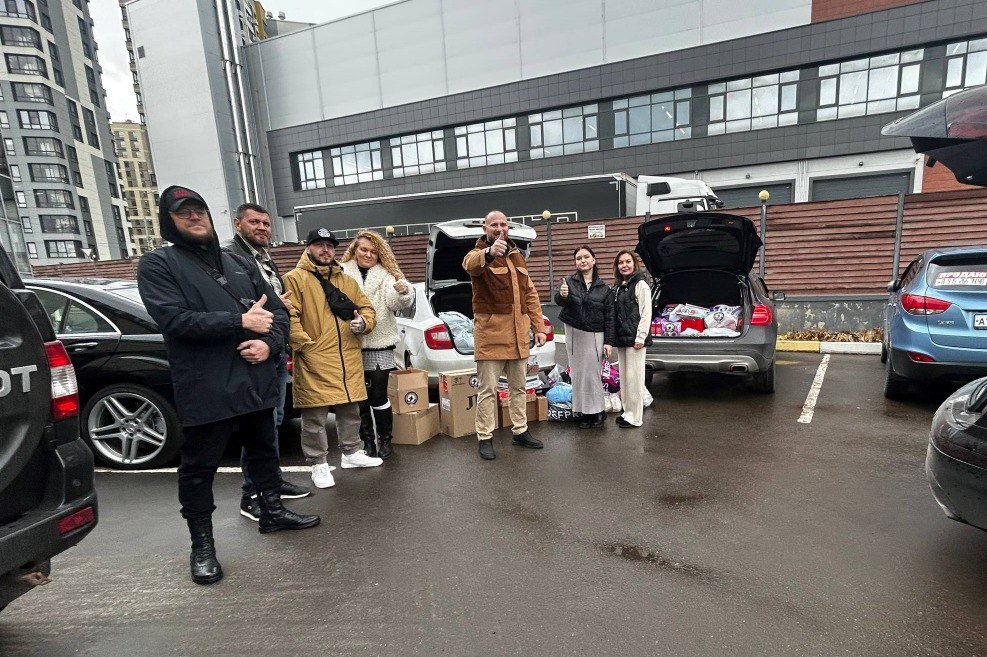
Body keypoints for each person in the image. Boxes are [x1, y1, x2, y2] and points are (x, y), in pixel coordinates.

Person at [137, 186, 320, 586]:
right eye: (184, 213)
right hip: (206, 386)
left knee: (264, 452)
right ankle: (202, 545)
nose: (194, 217)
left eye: (199, 210)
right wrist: (240, 323)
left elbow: (277, 313)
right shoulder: (158, 265)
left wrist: (268, 342)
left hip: (254, 380)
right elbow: (174, 321)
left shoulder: (236, 262)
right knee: (199, 469)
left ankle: (271, 512)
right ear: (170, 220)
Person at [226, 202, 311, 521]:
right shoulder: (231, 257)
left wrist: (279, 304)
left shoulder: (263, 255)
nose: (262, 227)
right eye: (254, 222)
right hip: (254, 350)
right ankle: (252, 495)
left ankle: (270, 482)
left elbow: (269, 299)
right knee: (258, 425)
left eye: (266, 222)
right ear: (238, 224)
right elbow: (240, 304)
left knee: (273, 422)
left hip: (274, 347)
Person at [282, 228, 383, 490]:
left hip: (347, 355)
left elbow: (366, 307)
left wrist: (365, 323)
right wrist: (304, 345)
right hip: (314, 356)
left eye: (329, 245)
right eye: (319, 245)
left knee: (350, 408)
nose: (325, 250)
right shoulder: (294, 279)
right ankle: (318, 463)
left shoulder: (346, 280)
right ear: (308, 248)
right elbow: (289, 317)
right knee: (314, 415)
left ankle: (351, 453)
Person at [463, 210, 547, 461]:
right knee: (488, 390)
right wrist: (489, 253)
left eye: (503, 224)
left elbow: (529, 293)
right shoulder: (476, 254)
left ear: (508, 227)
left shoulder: (517, 256)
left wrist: (539, 327)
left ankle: (520, 430)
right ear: (485, 228)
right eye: (494, 225)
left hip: (518, 335)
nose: (499, 228)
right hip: (491, 336)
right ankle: (485, 436)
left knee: (519, 387)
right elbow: (470, 266)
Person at [339, 230, 415, 460]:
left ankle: (385, 439)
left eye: (373, 251)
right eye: (363, 249)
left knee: (379, 396)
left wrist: (403, 292)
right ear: (354, 249)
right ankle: (367, 441)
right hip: (350, 343)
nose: (368, 254)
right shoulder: (342, 272)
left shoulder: (386, 274)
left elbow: (394, 303)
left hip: (379, 343)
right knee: (358, 396)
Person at [555, 246, 611, 429]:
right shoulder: (569, 282)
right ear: (575, 262)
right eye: (579, 258)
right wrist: (562, 295)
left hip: (595, 332)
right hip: (573, 330)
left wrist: (609, 341)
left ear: (594, 260)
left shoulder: (604, 288)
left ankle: (598, 411)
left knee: (592, 374)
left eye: (586, 257)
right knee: (578, 374)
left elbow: (610, 316)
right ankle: (583, 412)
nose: (583, 260)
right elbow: (560, 301)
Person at [604, 250, 653, 428]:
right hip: (622, 339)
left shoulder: (641, 284)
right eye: (621, 262)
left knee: (635, 379)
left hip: (635, 340)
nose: (624, 265)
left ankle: (635, 418)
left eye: (628, 261)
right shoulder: (618, 286)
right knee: (625, 379)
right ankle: (627, 412)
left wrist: (640, 337)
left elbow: (646, 313)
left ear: (634, 264)